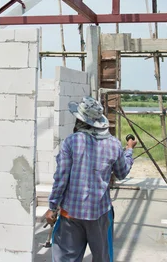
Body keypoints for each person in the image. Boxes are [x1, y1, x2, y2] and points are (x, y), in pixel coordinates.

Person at [44, 96, 137, 261]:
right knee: (102, 257)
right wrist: (129, 150)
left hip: (70, 214)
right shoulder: (114, 144)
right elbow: (122, 173)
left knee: (65, 258)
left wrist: (52, 207)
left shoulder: (70, 142)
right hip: (100, 213)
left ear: (80, 120)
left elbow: (61, 178)